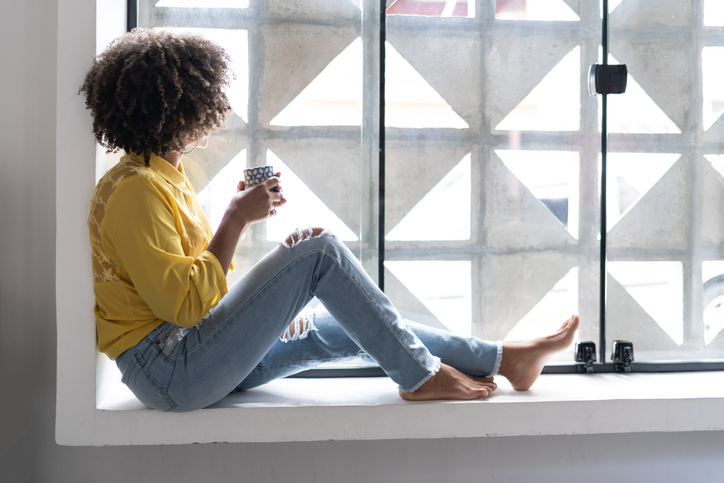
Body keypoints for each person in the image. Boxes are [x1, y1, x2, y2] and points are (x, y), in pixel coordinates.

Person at [82, 29, 579, 412]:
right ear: (177, 110)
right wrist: (235, 220)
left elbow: (190, 283)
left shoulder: (161, 175)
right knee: (319, 253)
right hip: (173, 371)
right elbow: (185, 305)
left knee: (337, 322)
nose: (213, 114)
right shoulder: (134, 191)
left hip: (192, 353)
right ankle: (421, 376)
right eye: (203, 104)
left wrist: (268, 280)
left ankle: (503, 359)